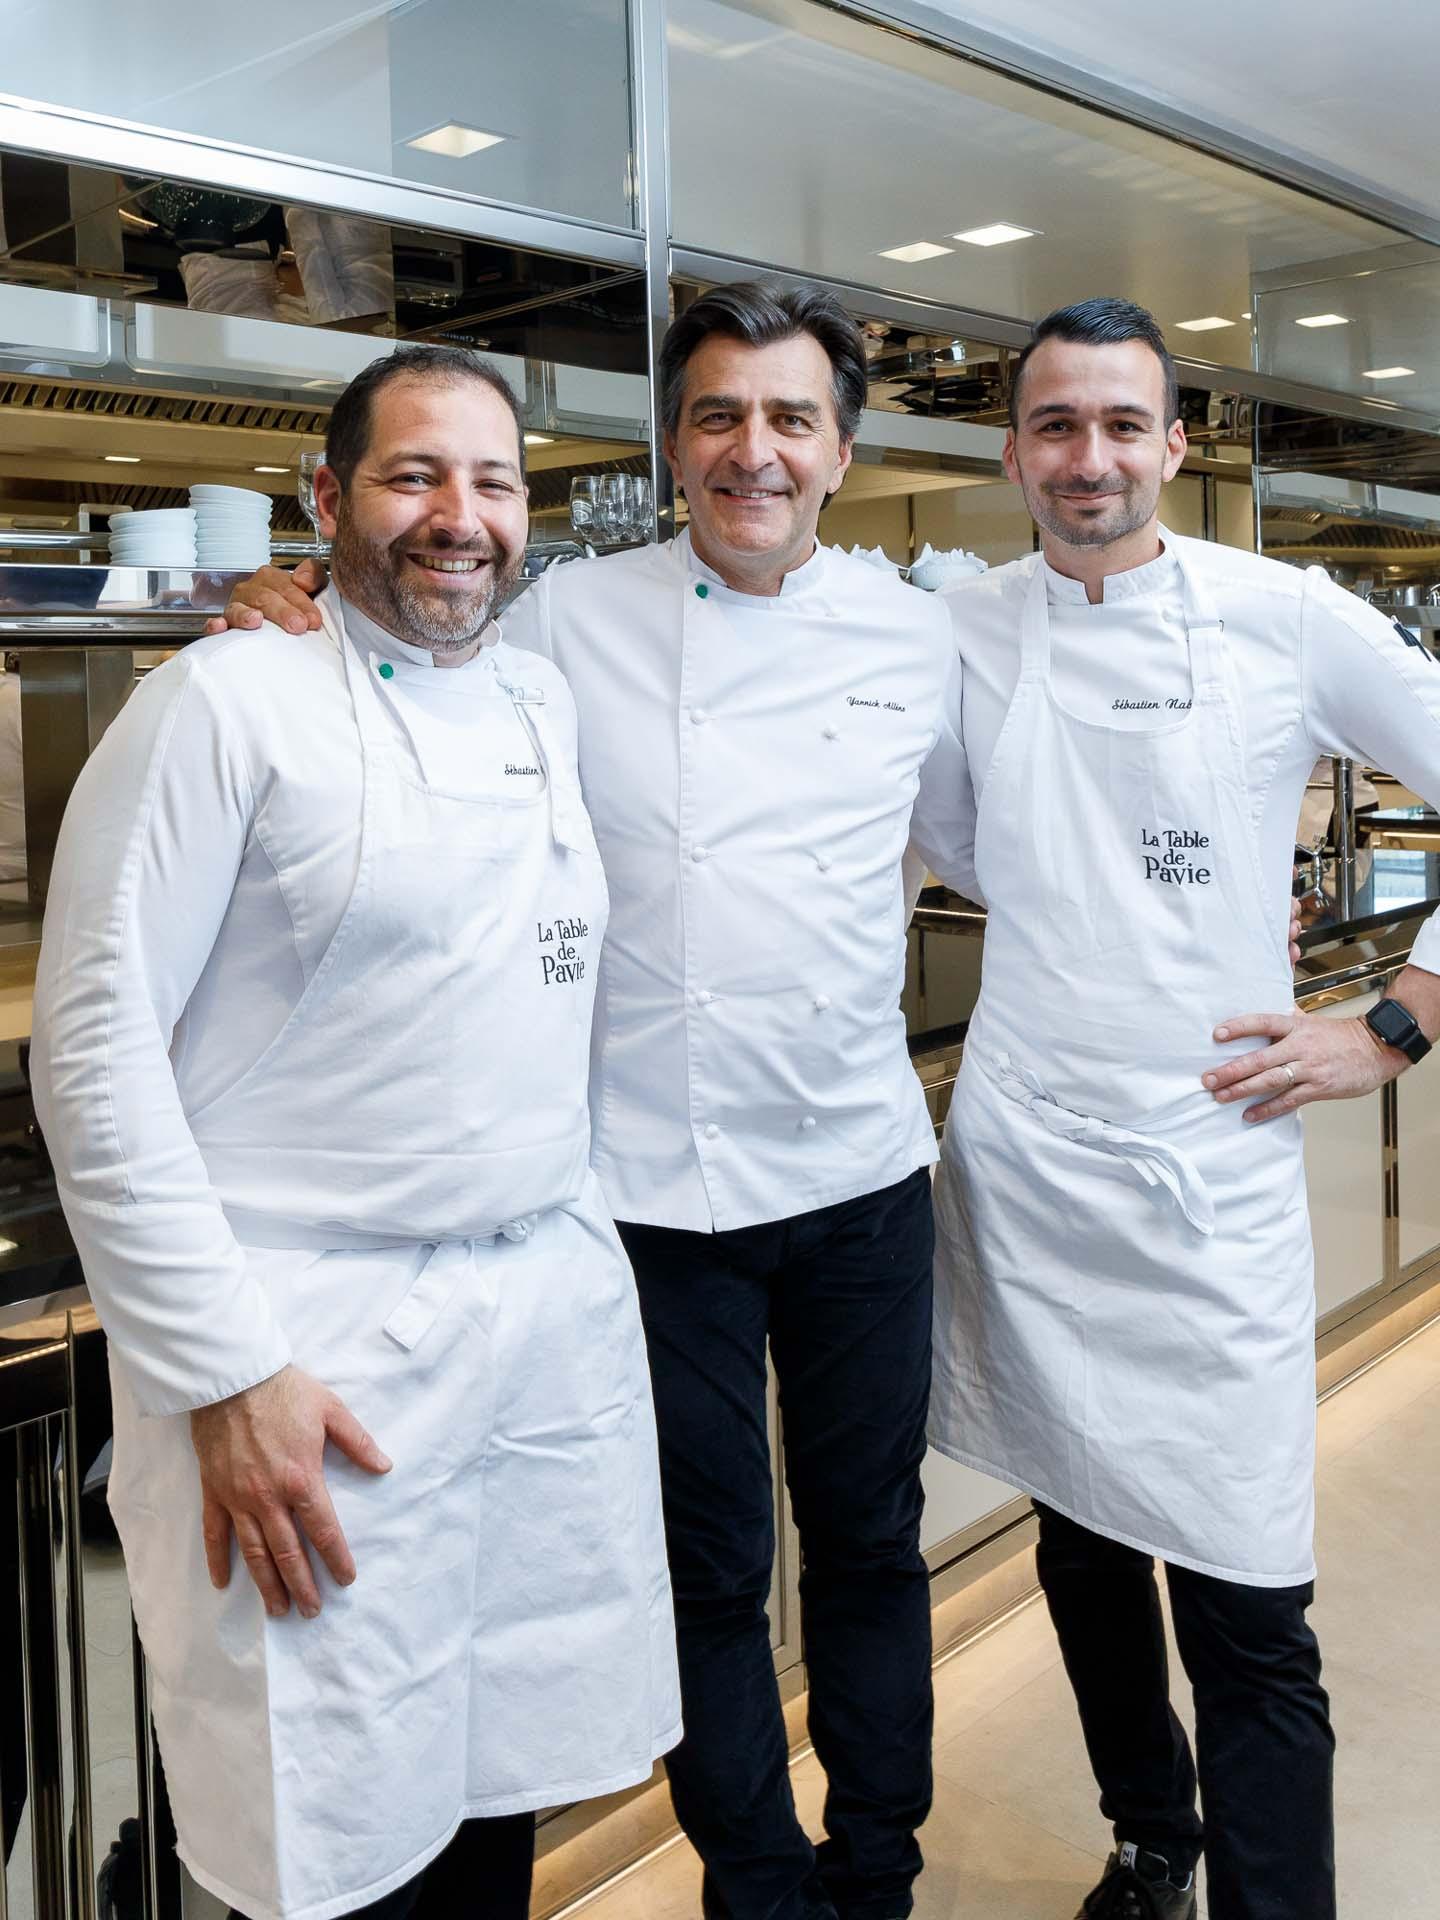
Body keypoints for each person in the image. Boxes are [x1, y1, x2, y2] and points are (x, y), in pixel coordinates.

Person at [210, 280, 965, 1920]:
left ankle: (880, 1871)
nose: (750, 453)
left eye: (788, 422)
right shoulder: (564, 616)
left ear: (841, 452)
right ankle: (760, 1887)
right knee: (697, 1568)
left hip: (854, 1176)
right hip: (642, 1199)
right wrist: (290, 604)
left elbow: (997, 847)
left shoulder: (923, 638)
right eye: (716, 417)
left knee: (870, 1546)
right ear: (674, 445)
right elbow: (405, 650)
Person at [31, 344, 680, 1920]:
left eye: (496, 482)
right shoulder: (221, 704)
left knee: (492, 1809)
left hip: (533, 1344)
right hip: (311, 1365)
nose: (460, 518)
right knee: (331, 1839)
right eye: (413, 475)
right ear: (327, 501)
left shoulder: (537, 696)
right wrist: (225, 1374)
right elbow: (95, 1056)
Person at [915, 297, 1440, 1920]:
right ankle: (1154, 1838)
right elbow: (951, 840)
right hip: (1027, 1151)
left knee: (1248, 1604)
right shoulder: (957, 625)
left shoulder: (1288, 615)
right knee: (1076, 1538)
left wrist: (1400, 1024)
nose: (1089, 459)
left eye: (1121, 426)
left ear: (1173, 444)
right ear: (1012, 453)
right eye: (1056, 428)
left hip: (1208, 1169)